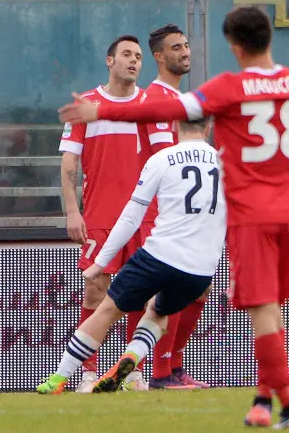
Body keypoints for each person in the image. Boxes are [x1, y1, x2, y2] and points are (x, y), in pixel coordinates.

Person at [58, 6, 289, 429]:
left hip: (252, 215)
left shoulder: (229, 89)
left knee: (261, 311)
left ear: (234, 46)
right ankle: (262, 400)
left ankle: (288, 408)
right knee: (273, 309)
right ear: (269, 40)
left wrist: (103, 112)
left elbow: (158, 111)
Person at [37, 117, 225, 395]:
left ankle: (59, 378)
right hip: (200, 269)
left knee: (107, 311)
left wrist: (100, 262)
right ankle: (133, 356)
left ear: (174, 128)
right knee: (158, 313)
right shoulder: (226, 164)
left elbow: (131, 217)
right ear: (208, 129)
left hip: (159, 255)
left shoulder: (162, 159)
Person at [59, 35, 155, 392]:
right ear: (109, 61)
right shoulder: (88, 105)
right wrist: (73, 211)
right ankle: (88, 371)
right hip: (101, 214)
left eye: (139, 57)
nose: (134, 61)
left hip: (146, 217)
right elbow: (69, 160)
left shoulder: (151, 105)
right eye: (127, 55)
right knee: (94, 292)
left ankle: (131, 372)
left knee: (142, 295)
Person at [141, 24, 209, 390]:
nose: (184, 52)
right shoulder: (156, 99)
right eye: (175, 47)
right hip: (164, 210)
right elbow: (164, 158)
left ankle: (174, 365)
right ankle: (159, 373)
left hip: (188, 208)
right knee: (170, 291)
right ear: (159, 56)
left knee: (197, 290)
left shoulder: (183, 101)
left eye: (186, 45)